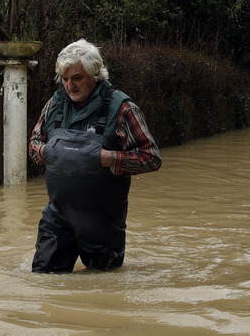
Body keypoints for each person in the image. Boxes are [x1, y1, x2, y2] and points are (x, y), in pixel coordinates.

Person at [28, 39, 161, 272]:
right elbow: (34, 143)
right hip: (57, 219)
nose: (70, 86)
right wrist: (43, 151)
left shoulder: (122, 108)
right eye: (65, 79)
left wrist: (108, 158)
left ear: (95, 75)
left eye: (77, 78)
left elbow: (151, 157)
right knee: (44, 281)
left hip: (103, 223)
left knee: (103, 286)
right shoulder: (54, 105)